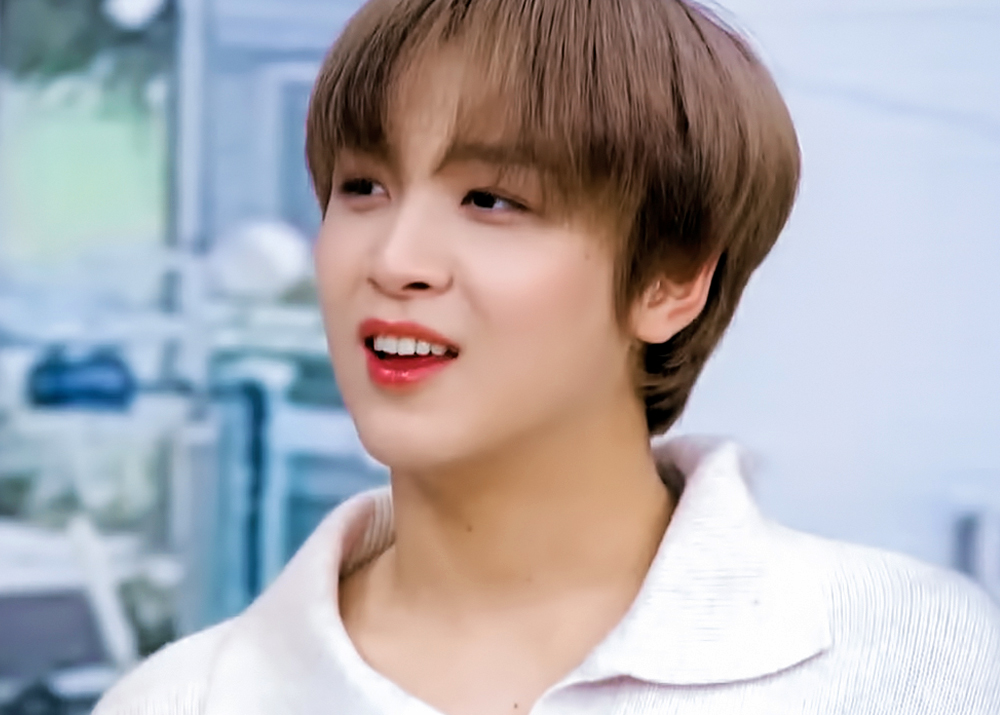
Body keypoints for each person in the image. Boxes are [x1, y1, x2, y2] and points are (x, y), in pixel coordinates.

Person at [94, 0, 1000, 713]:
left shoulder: (911, 657)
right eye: (362, 187)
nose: (395, 259)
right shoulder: (184, 699)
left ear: (673, 279)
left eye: (491, 200)